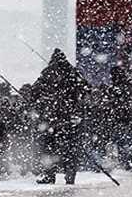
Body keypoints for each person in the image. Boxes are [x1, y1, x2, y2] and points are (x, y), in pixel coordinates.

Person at [34, 48, 88, 185]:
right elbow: (86, 89)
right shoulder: (74, 74)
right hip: (70, 119)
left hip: (51, 119)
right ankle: (70, 175)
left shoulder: (48, 73)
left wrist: (42, 102)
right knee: (70, 148)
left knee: (48, 147)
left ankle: (49, 175)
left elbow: (34, 91)